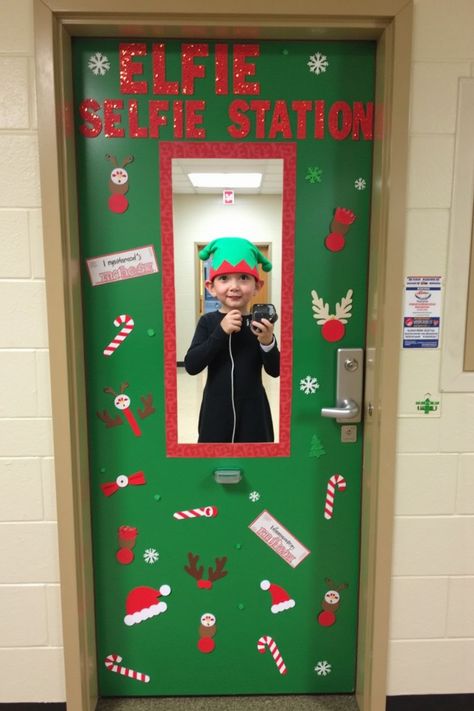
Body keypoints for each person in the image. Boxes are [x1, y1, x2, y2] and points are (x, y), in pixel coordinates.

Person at [184, 237, 280, 443]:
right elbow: (192, 365)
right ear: (210, 286)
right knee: (213, 462)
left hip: (254, 411)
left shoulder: (260, 323)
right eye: (224, 278)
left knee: (257, 462)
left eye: (244, 277)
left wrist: (267, 341)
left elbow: (275, 370)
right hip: (215, 410)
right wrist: (220, 331)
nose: (234, 286)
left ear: (257, 286)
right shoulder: (208, 322)